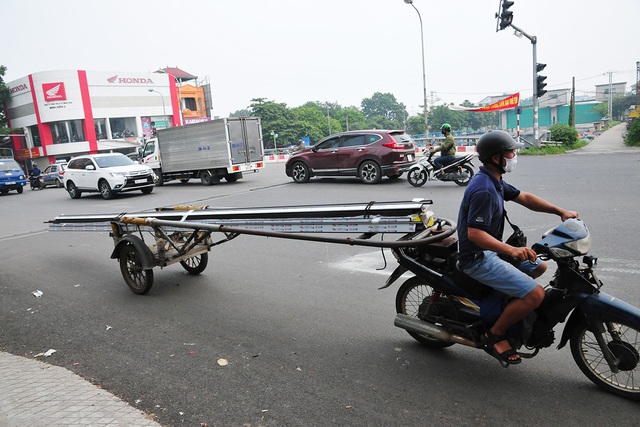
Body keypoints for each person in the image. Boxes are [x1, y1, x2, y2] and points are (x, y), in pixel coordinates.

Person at [456, 130, 578, 366]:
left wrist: (560, 211)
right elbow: (475, 234)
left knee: (539, 266)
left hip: (491, 251)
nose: (514, 156)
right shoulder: (484, 189)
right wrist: (510, 250)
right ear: (496, 158)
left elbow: (525, 198)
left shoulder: (494, 180)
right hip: (477, 258)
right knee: (535, 294)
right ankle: (495, 334)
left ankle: (508, 303)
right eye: (511, 152)